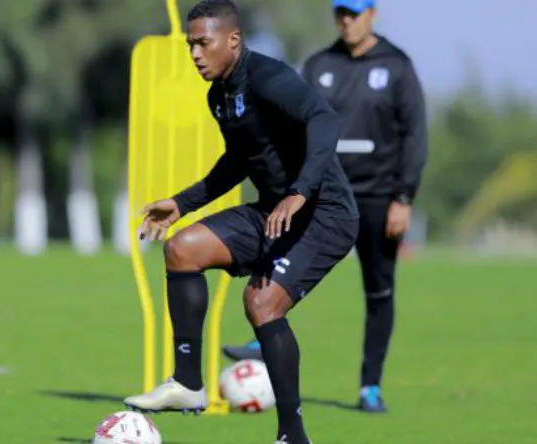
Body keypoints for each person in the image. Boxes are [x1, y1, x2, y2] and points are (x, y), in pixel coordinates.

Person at [122, 0, 359, 442]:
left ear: (232, 40)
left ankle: (293, 435)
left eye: (202, 43)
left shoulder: (269, 78)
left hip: (325, 213)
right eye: (190, 44)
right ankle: (188, 385)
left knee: (261, 303)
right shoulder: (220, 96)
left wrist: (300, 191)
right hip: (275, 211)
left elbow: (324, 119)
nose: (194, 53)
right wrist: (182, 202)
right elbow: (240, 160)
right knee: (181, 247)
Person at [221, 0, 429, 414]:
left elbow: (415, 136)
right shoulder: (319, 64)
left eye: (354, 14)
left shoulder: (397, 66)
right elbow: (290, 120)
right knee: (279, 258)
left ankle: (370, 386)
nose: (346, 21)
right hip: (321, 192)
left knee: (378, 289)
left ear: (373, 14)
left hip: (376, 197)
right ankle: (262, 336)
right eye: (340, 14)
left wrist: (403, 198)